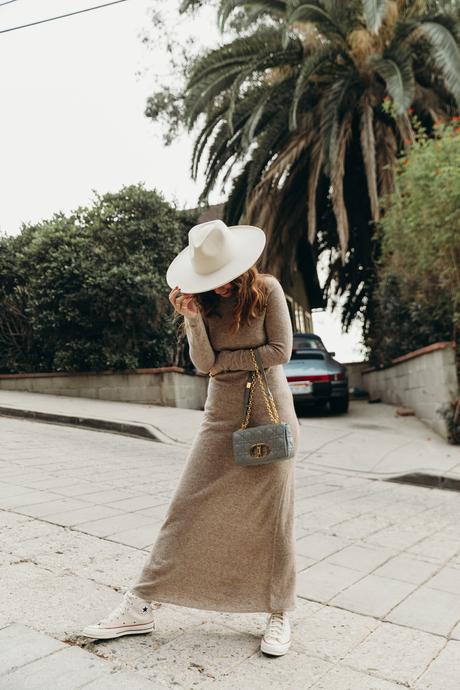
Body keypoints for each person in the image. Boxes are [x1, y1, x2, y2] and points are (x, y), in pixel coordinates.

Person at [81, 219, 300, 656]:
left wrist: (227, 362)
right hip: (220, 416)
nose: (220, 287)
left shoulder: (269, 290)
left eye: (226, 276)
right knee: (186, 506)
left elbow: (281, 351)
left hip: (268, 414)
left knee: (273, 515)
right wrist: (193, 321)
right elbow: (204, 364)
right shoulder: (198, 304)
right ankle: (141, 605)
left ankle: (279, 611)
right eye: (211, 279)